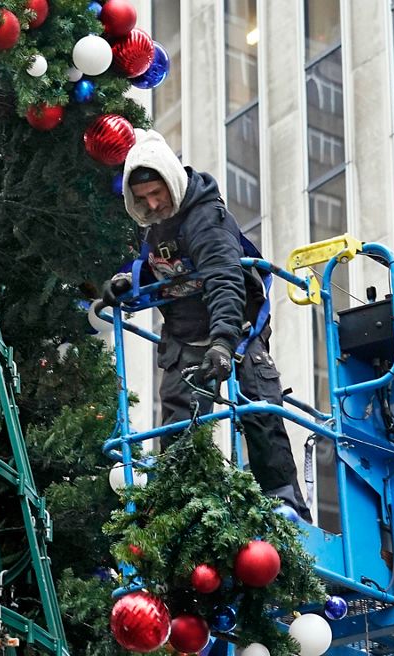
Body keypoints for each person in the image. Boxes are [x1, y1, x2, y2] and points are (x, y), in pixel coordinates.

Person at [101, 130, 311, 520]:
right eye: (143, 199)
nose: (152, 204)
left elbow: (225, 280)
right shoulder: (153, 225)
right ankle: (182, 509)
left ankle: (284, 504)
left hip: (236, 332)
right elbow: (158, 266)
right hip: (183, 337)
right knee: (178, 425)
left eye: (157, 194)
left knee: (258, 408)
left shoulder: (205, 218)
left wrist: (223, 342)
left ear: (172, 182)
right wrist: (127, 279)